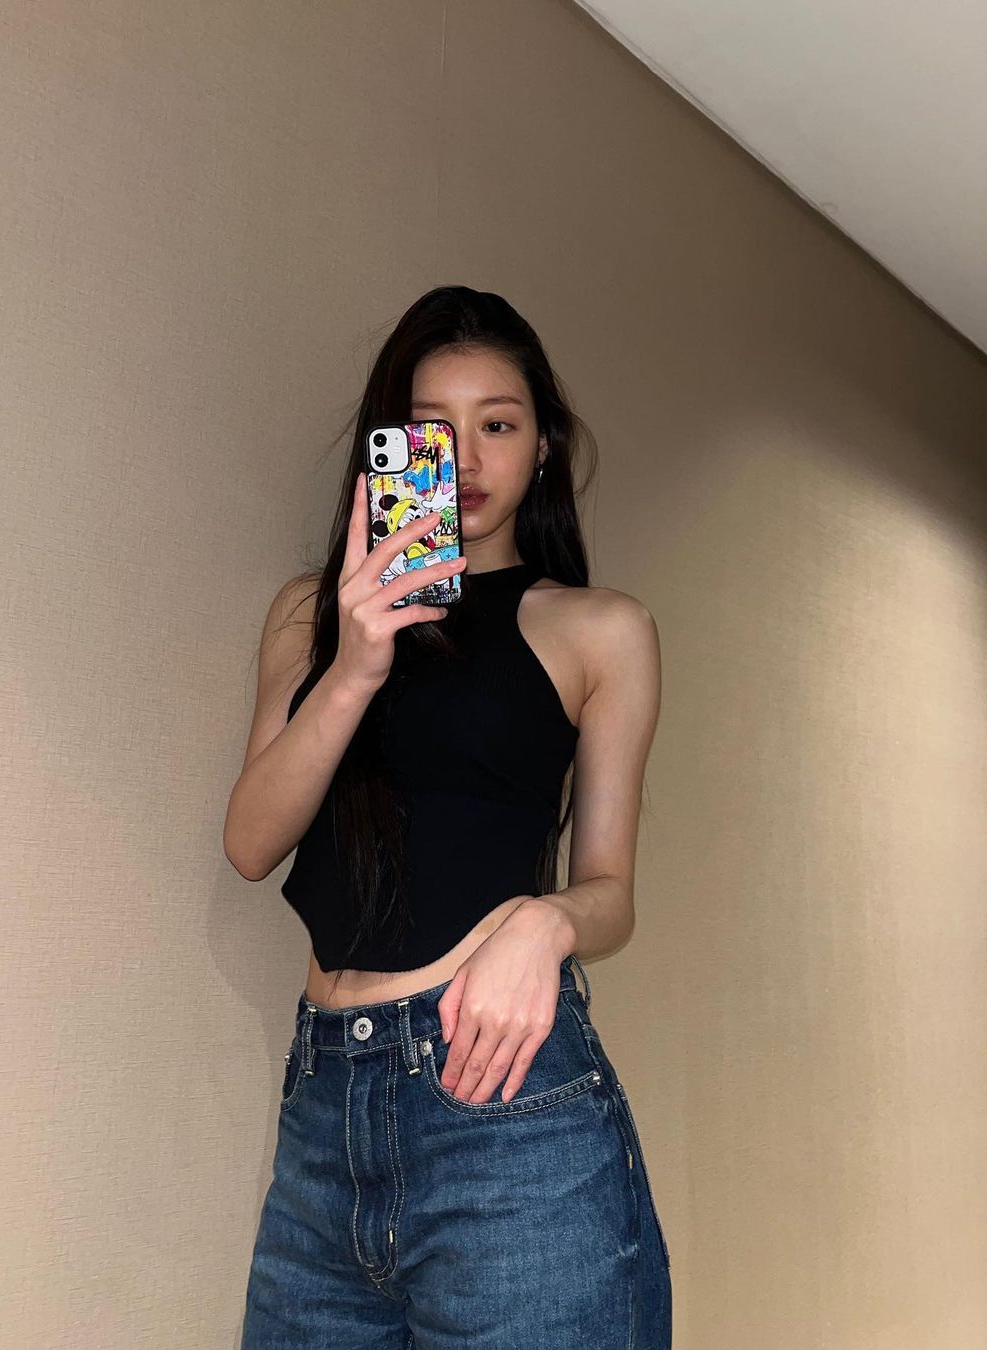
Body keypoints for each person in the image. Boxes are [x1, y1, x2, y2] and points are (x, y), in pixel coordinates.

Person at [224, 286, 671, 1347]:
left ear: (544, 446)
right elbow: (249, 843)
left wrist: (548, 922)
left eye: (498, 425)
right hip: (323, 1115)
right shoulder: (309, 616)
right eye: (433, 430)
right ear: (388, 449)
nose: (466, 458)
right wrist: (357, 661)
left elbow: (609, 890)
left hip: (505, 1108)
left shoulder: (599, 629)